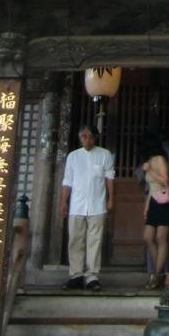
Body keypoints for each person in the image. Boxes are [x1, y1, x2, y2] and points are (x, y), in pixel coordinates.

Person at [60, 124, 115, 291]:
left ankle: (92, 276)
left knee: (94, 241)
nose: (87, 140)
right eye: (84, 136)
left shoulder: (105, 155)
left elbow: (109, 178)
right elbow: (68, 180)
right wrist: (64, 202)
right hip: (77, 205)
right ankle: (76, 275)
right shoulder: (73, 156)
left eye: (90, 136)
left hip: (97, 204)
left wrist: (111, 198)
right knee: (75, 241)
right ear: (80, 138)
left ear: (95, 138)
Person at [139, 132, 169, 289]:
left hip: (164, 201)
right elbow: (151, 187)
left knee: (161, 238)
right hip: (153, 201)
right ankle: (160, 272)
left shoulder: (160, 159)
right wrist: (146, 206)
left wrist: (150, 170)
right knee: (148, 237)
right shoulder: (149, 160)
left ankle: (156, 275)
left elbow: (165, 181)